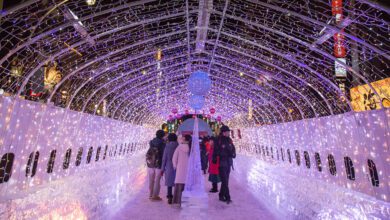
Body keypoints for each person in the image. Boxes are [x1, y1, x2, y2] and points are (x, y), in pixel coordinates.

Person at [212, 125, 236, 204]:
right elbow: (216, 151)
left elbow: (233, 148)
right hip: (221, 163)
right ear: (223, 132)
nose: (228, 133)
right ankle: (228, 197)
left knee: (225, 181)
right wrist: (222, 153)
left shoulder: (229, 140)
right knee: (225, 181)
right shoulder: (218, 140)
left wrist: (233, 154)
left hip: (228, 162)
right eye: (227, 132)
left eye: (229, 132)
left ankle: (221, 195)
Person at [172, 134, 192, 207]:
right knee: (187, 186)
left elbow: (174, 158)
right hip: (188, 170)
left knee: (179, 186)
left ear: (184, 139)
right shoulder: (191, 148)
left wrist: (176, 166)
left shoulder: (179, 147)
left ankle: (178, 202)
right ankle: (187, 202)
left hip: (180, 170)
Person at [146, 130, 166, 201]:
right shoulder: (163, 143)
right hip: (159, 163)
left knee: (151, 179)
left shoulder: (151, 142)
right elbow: (163, 154)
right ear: (162, 135)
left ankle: (150, 194)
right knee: (157, 180)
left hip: (150, 163)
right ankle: (155, 196)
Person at [161, 133, 179, 204]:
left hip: (168, 165)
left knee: (169, 182)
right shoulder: (178, 146)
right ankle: (176, 196)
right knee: (177, 181)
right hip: (177, 166)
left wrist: (162, 168)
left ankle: (169, 197)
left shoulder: (167, 146)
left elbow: (164, 158)